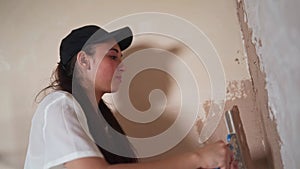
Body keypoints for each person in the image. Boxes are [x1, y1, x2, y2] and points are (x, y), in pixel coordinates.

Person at [24, 25, 236, 169]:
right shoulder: (59, 106)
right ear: (84, 61)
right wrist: (197, 158)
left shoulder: (103, 124)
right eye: (113, 56)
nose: (122, 66)